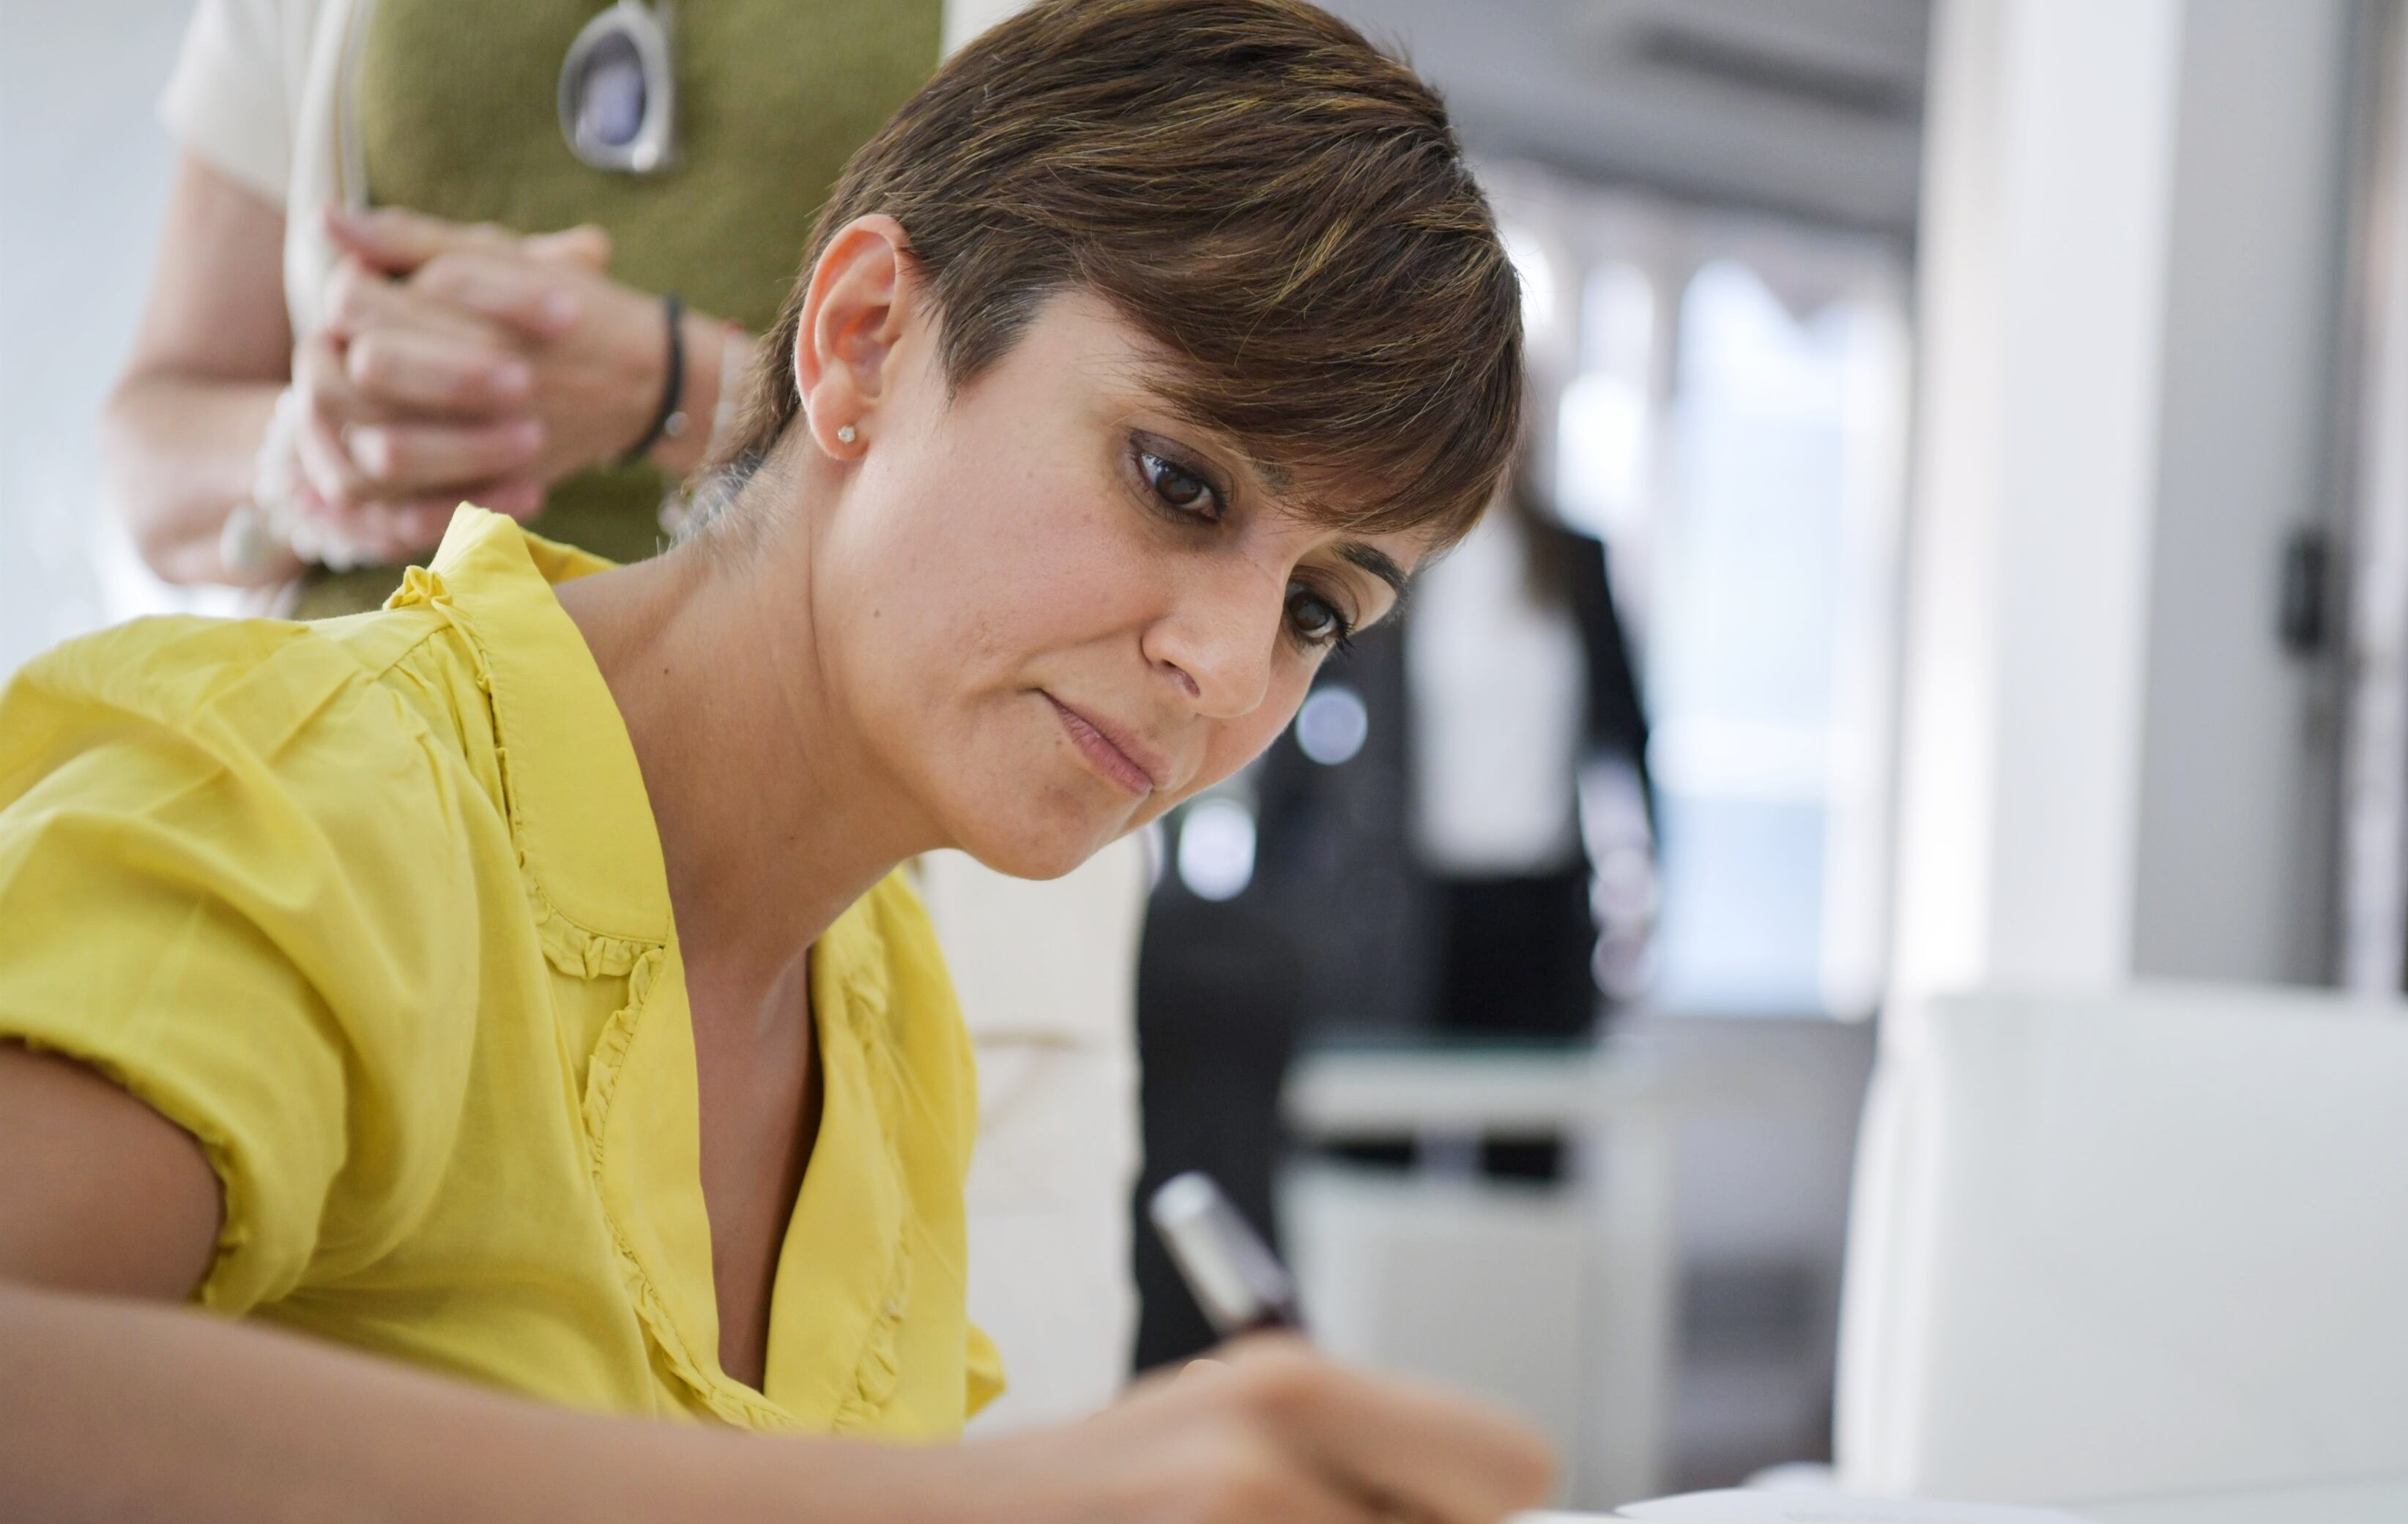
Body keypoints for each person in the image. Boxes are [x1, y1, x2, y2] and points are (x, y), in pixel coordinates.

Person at [0, 3, 1551, 1519]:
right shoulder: (296, 801)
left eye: (1315, 608)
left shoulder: (884, 1013)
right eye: (1176, 481)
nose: (1224, 668)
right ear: (865, 340)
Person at [103, 0, 950, 614]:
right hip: (352, 731)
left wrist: (671, 388)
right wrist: (329, 447)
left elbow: (996, 500)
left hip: (757, 747)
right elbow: (150, 462)